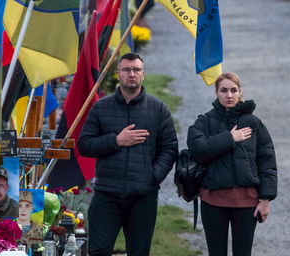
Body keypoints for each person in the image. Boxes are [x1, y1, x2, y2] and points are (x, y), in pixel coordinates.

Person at [78, 53, 178, 256]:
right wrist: (116, 140)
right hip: (107, 193)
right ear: (117, 74)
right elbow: (84, 145)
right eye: (126, 69)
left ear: (143, 75)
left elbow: (169, 148)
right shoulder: (101, 107)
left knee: (140, 252)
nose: (131, 74)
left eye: (136, 70)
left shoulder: (158, 109)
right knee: (98, 250)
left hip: (143, 196)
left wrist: (153, 177)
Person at [188, 72, 277, 256]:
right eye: (224, 90)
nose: (229, 95)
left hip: (246, 202)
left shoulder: (254, 123)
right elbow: (197, 151)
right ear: (216, 93)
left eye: (233, 90)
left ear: (240, 92)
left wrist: (265, 199)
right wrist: (230, 138)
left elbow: (267, 161)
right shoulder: (204, 122)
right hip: (213, 201)